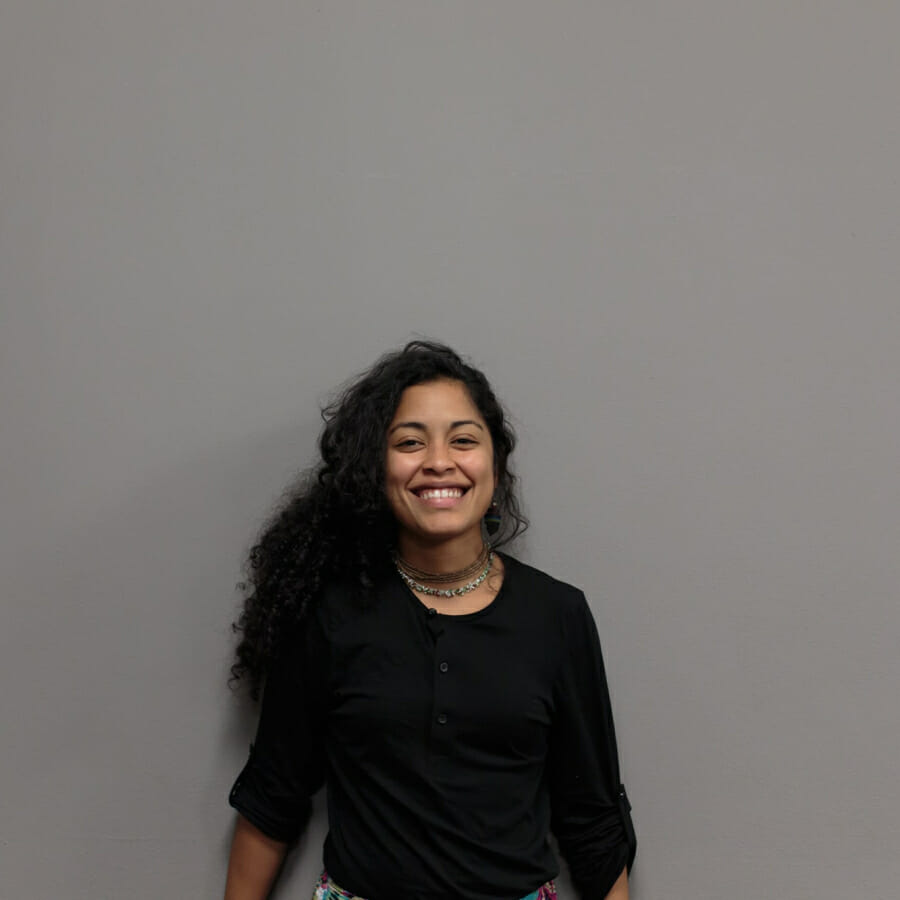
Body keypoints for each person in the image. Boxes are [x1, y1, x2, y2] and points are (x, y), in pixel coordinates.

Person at [224, 340, 636, 900]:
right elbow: (273, 797)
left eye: (463, 440)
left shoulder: (558, 616)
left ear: (495, 465)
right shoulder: (328, 614)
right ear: (376, 469)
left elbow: (592, 819)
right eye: (410, 442)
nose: (439, 461)